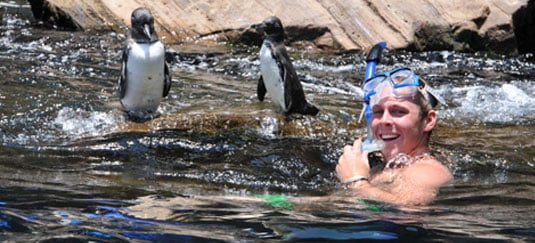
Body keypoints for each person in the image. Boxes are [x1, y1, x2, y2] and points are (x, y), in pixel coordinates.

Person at [336, 67, 453, 206]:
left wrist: (356, 181)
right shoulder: (383, 168)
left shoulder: (426, 171)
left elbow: (408, 211)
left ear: (428, 121)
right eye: (378, 112)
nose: (384, 120)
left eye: (398, 111)